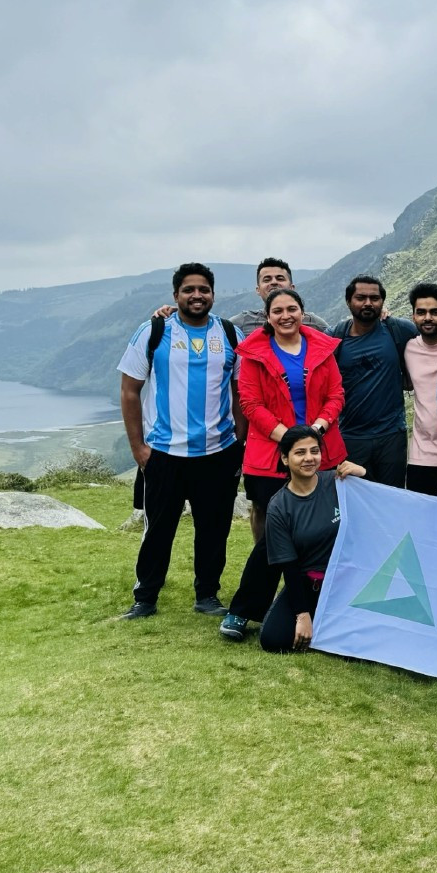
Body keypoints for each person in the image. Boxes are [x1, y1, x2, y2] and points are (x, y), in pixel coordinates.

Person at [115, 263, 244, 620]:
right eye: (189, 290)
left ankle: (207, 595)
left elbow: (240, 391)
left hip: (218, 452)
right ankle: (146, 598)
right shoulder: (154, 331)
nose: (197, 295)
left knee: (214, 529)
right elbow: (129, 391)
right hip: (165, 452)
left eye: (204, 289)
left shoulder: (231, 335)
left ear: (213, 295)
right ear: (176, 296)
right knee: (158, 529)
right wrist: (138, 448)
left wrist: (240, 444)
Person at [220, 287, 347, 641]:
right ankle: (243, 611)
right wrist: (288, 439)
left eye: (292, 308)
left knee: (324, 533)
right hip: (271, 458)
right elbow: (250, 403)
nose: (286, 315)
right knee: (274, 540)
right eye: (278, 311)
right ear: (268, 316)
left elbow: (336, 394)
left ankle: (317, 603)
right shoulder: (253, 353)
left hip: (320, 454)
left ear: (302, 312)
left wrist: (315, 432)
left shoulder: (323, 347)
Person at [255, 425, 367, 653]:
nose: (309, 458)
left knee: (363, 645)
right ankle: (316, 618)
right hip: (308, 584)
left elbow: (377, 508)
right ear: (285, 459)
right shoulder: (279, 506)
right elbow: (289, 565)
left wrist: (363, 474)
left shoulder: (339, 482)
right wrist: (302, 614)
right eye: (300, 452)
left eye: (314, 451)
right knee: (273, 640)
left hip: (348, 583)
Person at [329, 274, 417, 489]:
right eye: (361, 297)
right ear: (349, 301)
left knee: (392, 496)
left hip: (391, 435)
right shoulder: (335, 337)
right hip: (351, 436)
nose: (368, 303)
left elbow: (435, 340)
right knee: (355, 497)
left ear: (382, 302)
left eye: (374, 298)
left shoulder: (398, 330)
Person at [152, 256, 329, 334]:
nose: (273, 282)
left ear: (292, 287)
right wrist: (179, 313)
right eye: (267, 279)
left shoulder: (316, 324)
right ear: (258, 289)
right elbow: (210, 327)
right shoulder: (242, 323)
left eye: (279, 278)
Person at [403, 282, 437, 495]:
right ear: (413, 316)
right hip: (420, 454)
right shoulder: (409, 348)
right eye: (421, 312)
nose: (427, 318)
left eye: (435, 312)